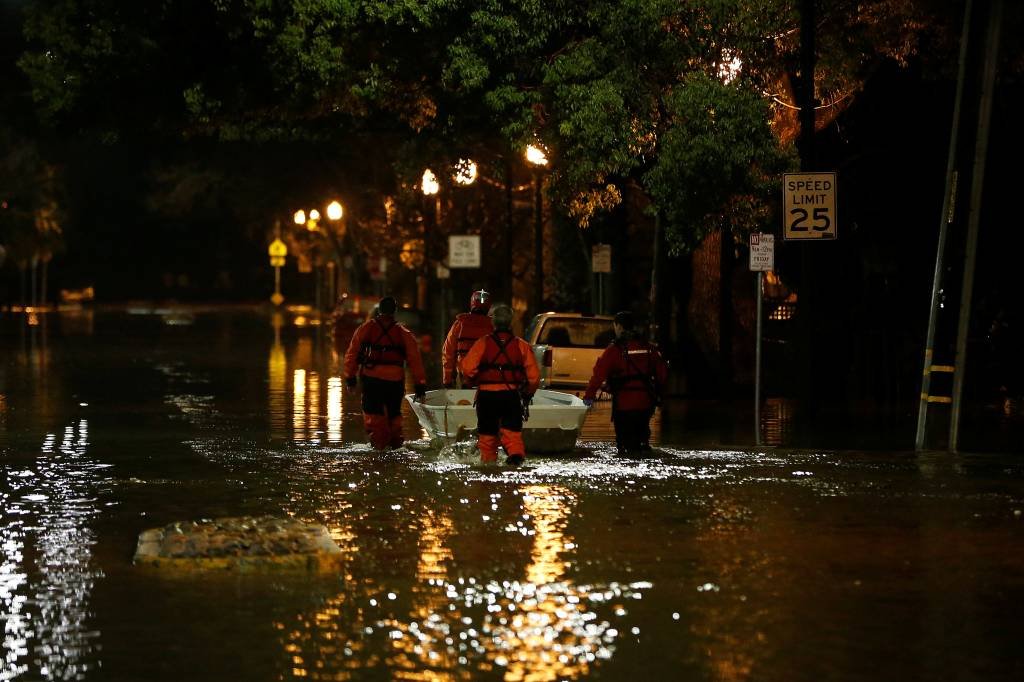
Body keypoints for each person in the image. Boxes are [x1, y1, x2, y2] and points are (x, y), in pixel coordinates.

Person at [460, 303, 540, 465]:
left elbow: (467, 369)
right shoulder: (522, 345)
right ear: (511, 323)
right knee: (513, 436)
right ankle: (516, 458)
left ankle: (488, 472)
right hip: (510, 397)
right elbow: (534, 378)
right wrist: (527, 393)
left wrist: (472, 381)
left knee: (487, 439)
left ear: (493, 322)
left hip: (487, 397)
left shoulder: (482, 343)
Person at [344, 296, 427, 450]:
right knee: (394, 416)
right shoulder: (403, 333)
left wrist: (350, 378)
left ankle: (379, 451)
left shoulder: (366, 329)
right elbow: (415, 360)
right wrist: (420, 385)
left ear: (379, 310)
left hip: (372, 380)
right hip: (394, 382)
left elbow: (352, 354)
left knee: (374, 416)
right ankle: (395, 447)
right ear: (395, 312)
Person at [582, 311, 668, 455]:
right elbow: (662, 375)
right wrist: (657, 394)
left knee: (625, 447)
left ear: (619, 326)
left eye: (614, 326)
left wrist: (588, 397)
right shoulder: (649, 348)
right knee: (642, 443)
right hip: (645, 405)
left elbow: (598, 376)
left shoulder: (615, 350)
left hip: (623, 406)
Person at [442, 289, 494, 388]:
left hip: (464, 378)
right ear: (488, 307)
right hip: (488, 380)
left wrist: (447, 380)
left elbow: (448, 352)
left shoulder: (460, 324)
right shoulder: (493, 327)